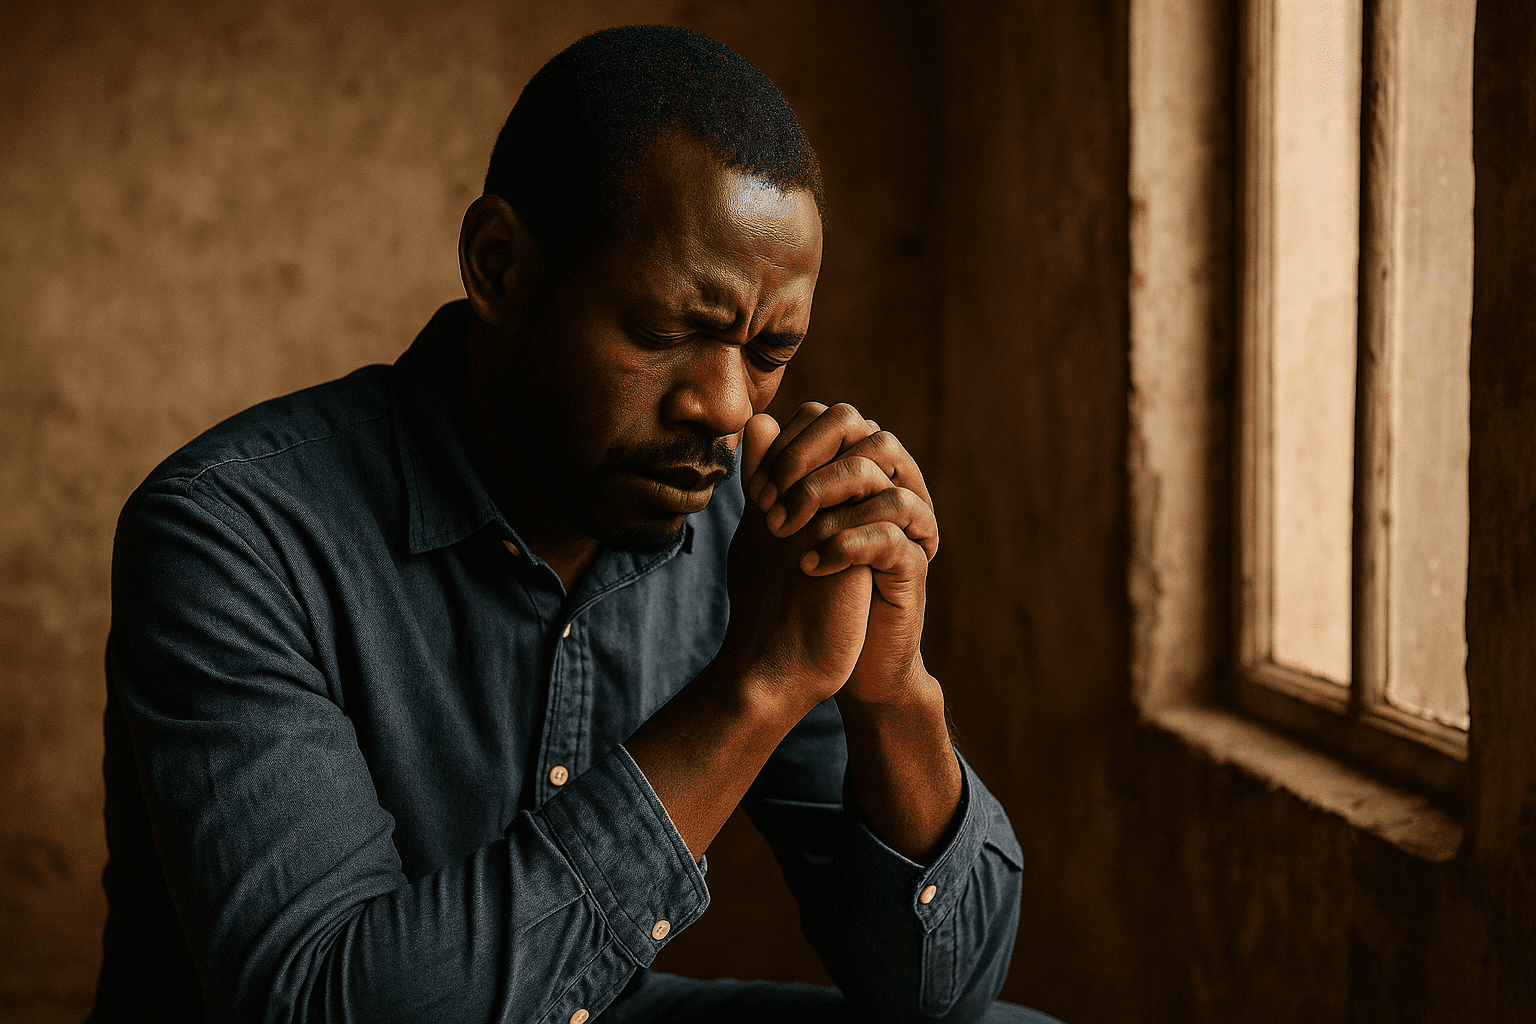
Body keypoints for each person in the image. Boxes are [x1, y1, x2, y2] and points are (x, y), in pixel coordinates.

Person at [90, 25, 1059, 1024]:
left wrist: (893, 691)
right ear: (500, 266)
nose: (727, 406)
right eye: (668, 330)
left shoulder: (745, 523)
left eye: (770, 349)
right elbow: (327, 1008)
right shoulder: (230, 536)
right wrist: (753, 689)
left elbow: (942, 995)